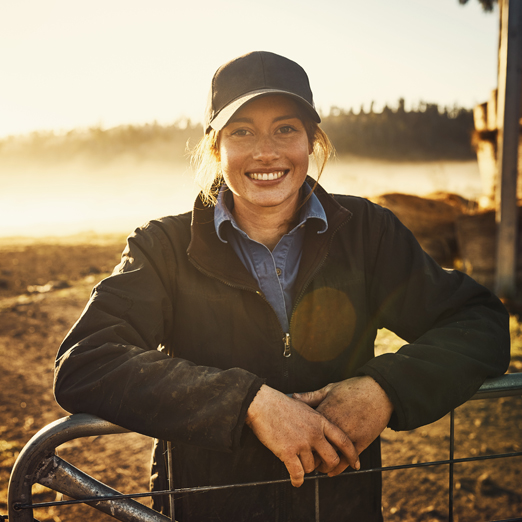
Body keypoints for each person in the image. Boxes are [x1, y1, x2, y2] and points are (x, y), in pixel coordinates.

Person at [54, 51, 510, 521]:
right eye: (242, 131)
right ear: (216, 146)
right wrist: (247, 402)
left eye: (286, 129)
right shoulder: (163, 248)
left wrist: (384, 387)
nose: (265, 152)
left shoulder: (367, 233)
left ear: (312, 140)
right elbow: (87, 363)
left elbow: (480, 322)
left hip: (338, 509)